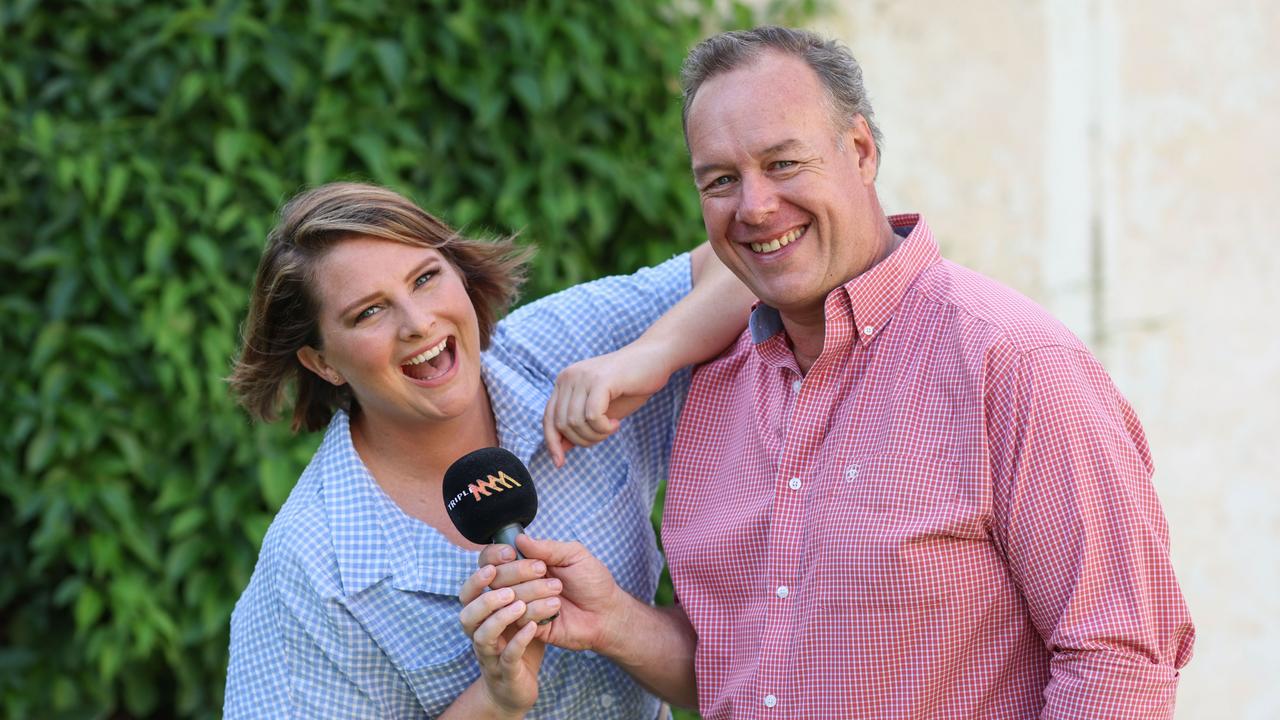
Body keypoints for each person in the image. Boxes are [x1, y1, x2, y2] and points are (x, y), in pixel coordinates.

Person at [466, 26, 1196, 719]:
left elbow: (1120, 659)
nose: (754, 206)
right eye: (720, 180)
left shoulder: (1013, 365)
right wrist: (617, 623)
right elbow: (753, 675)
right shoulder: (718, 385)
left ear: (862, 151)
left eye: (783, 163)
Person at [222, 181, 752, 718]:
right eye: (369, 312)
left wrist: (650, 355)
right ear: (322, 362)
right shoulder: (312, 567)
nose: (418, 322)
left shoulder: (558, 348)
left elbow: (749, 266)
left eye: (425, 278)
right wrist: (495, 699)